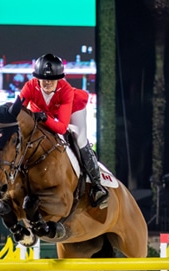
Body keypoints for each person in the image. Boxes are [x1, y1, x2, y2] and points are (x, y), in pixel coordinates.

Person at [18, 53, 108, 209]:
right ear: (36, 78)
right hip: (42, 111)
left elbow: (61, 127)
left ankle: (97, 185)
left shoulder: (65, 90)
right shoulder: (30, 86)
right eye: (43, 79)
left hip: (73, 110)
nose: (47, 83)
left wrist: (45, 118)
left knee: (79, 139)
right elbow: (17, 110)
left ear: (58, 79)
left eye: (51, 80)